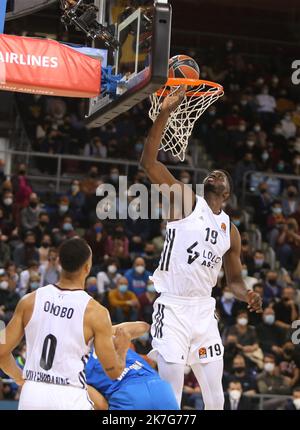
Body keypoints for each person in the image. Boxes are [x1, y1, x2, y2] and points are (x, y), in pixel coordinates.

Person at [139, 87, 262, 409]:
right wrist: (165, 112)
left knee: (216, 399)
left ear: (228, 194)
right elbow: (148, 162)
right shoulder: (186, 202)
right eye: (212, 172)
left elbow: (233, 281)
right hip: (174, 307)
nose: (215, 173)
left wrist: (245, 294)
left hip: (205, 312)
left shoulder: (231, 231)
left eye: (222, 175)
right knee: (171, 397)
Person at [0, 237, 130, 410]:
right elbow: (113, 372)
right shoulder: (96, 312)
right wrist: (122, 349)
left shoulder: (29, 300)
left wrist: (19, 378)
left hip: (32, 393)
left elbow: (1, 351)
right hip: (69, 395)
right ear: (87, 267)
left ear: (59, 262)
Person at [86, 322, 179, 410]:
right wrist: (103, 332)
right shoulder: (108, 338)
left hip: (128, 395)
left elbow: (101, 406)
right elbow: (144, 326)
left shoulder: (76, 364)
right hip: (160, 388)